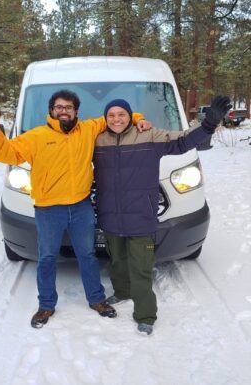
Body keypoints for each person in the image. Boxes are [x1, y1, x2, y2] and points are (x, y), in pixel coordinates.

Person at [0, 89, 151, 328]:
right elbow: (8, 153)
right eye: (59, 107)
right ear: (51, 110)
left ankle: (97, 299)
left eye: (68, 107)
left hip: (81, 207)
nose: (63, 111)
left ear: (75, 111)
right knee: (48, 257)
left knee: (87, 255)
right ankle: (46, 305)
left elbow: (116, 116)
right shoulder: (36, 136)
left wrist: (138, 118)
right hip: (49, 210)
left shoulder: (88, 129)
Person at [93, 96, 231, 336]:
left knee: (142, 268)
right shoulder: (97, 140)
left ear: (130, 116)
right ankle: (122, 291)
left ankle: (145, 314)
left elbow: (183, 141)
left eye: (122, 114)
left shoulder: (149, 135)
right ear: (105, 119)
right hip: (111, 216)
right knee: (117, 260)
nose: (116, 119)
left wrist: (209, 124)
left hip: (141, 217)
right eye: (111, 115)